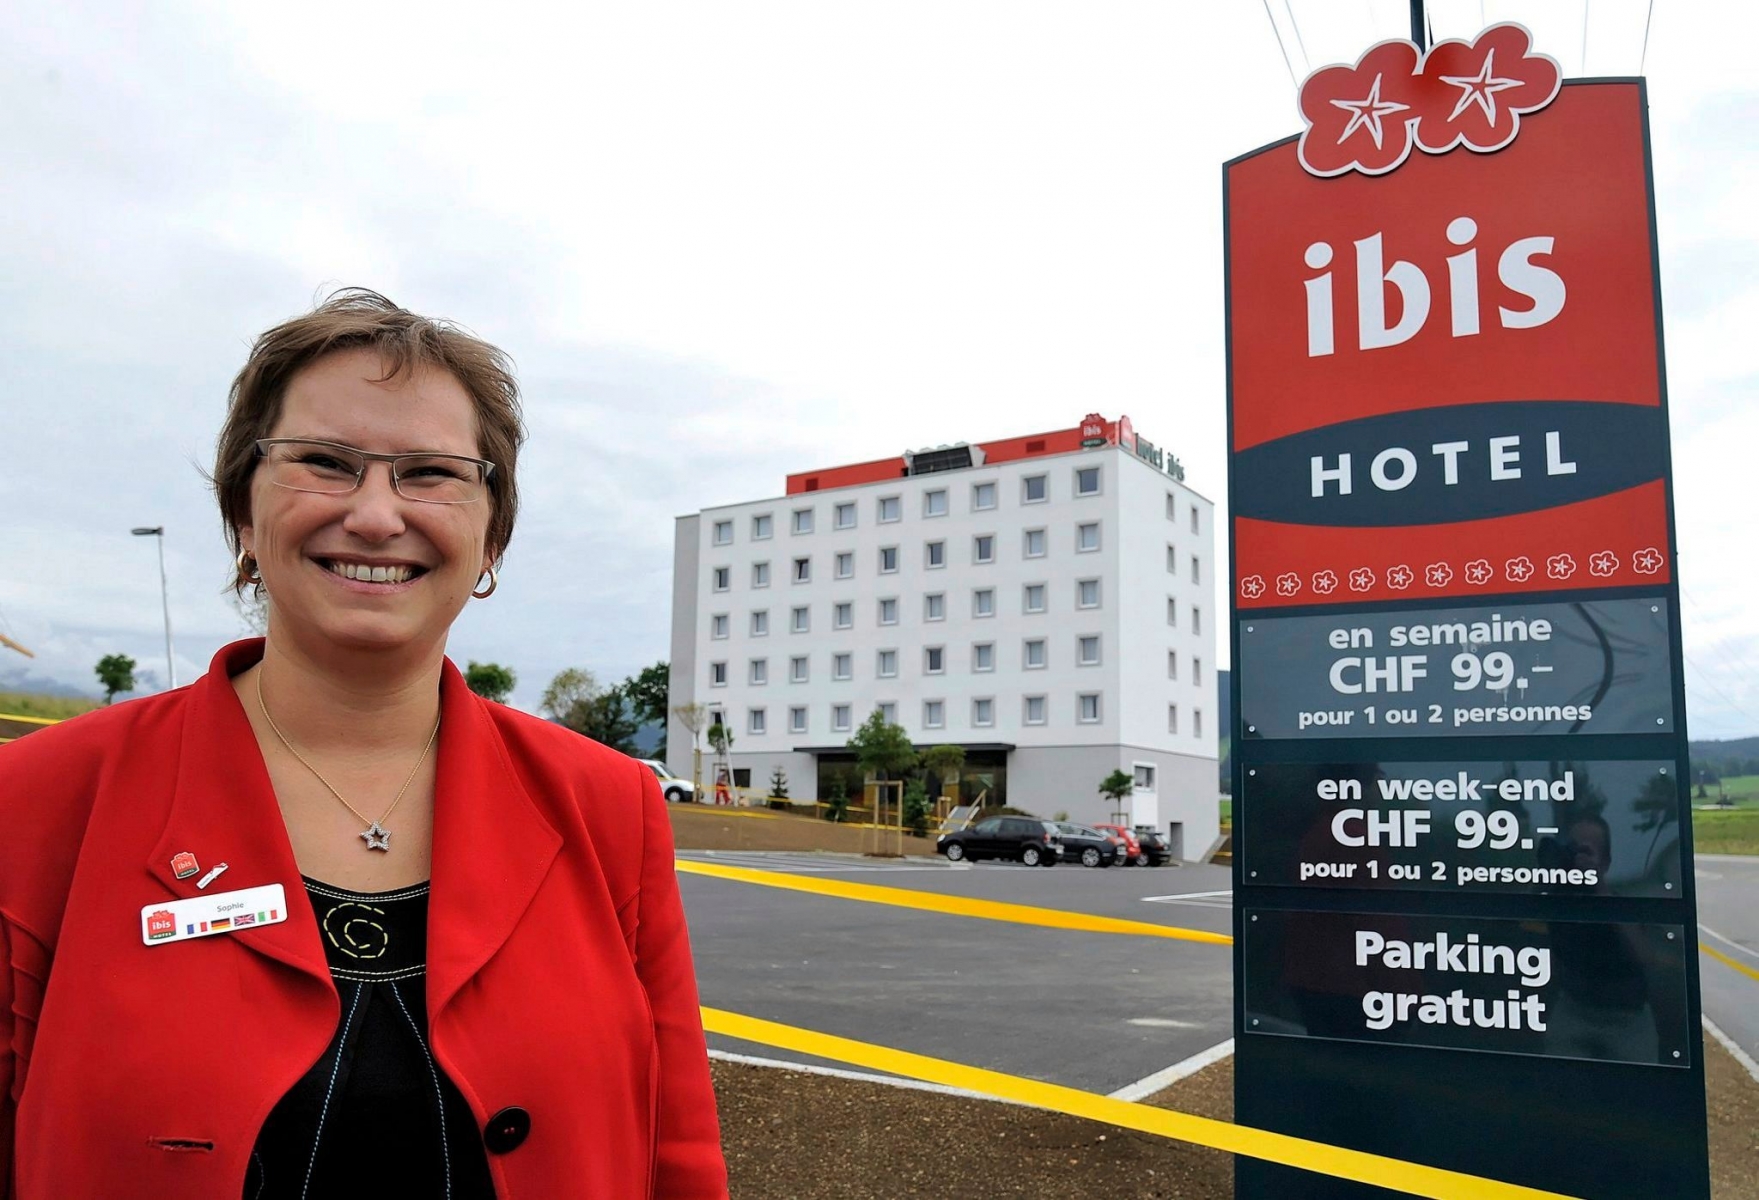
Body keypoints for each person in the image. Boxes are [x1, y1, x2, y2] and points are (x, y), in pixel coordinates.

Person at [0, 290, 729, 1198]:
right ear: (241, 512)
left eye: (430, 473)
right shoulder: (34, 798)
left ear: (489, 534)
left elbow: (676, 1152)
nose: (378, 515)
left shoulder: (607, 805)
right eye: (325, 463)